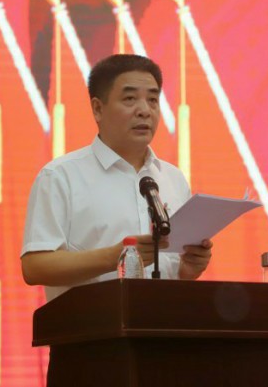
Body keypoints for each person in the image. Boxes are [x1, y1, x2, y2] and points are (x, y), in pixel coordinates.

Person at [20, 54, 213, 301]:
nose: (144, 111)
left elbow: (173, 272)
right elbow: (34, 266)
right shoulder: (60, 176)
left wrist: (187, 270)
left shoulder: (173, 178)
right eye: (130, 99)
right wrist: (114, 257)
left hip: (162, 321)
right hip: (89, 323)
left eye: (153, 100)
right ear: (98, 109)